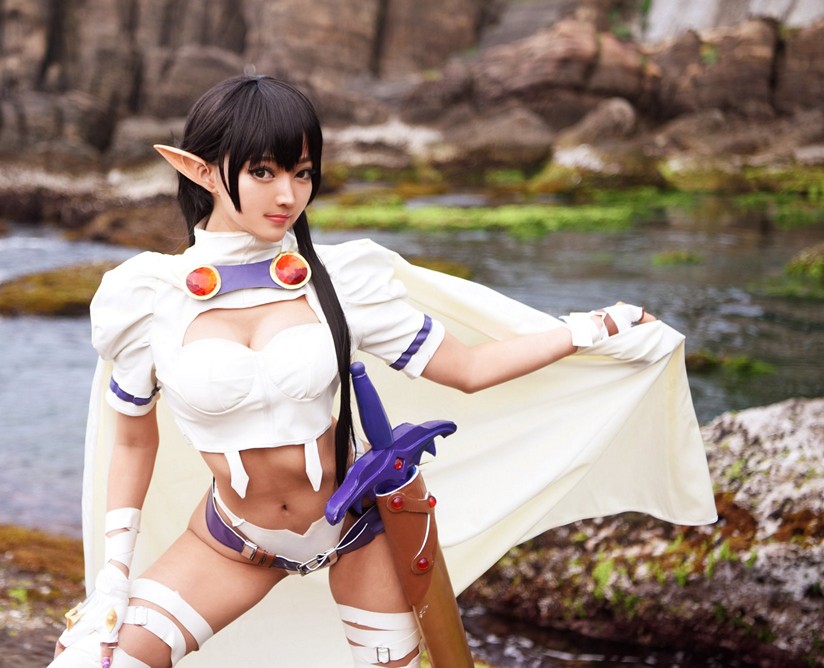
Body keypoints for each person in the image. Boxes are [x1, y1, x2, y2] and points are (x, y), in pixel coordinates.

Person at [49, 75, 716, 668]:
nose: (288, 195)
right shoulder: (146, 300)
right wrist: (113, 577)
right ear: (197, 170)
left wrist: (589, 329)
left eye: (302, 173)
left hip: (361, 529)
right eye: (263, 172)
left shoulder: (340, 282)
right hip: (232, 543)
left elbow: (469, 368)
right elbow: (132, 441)